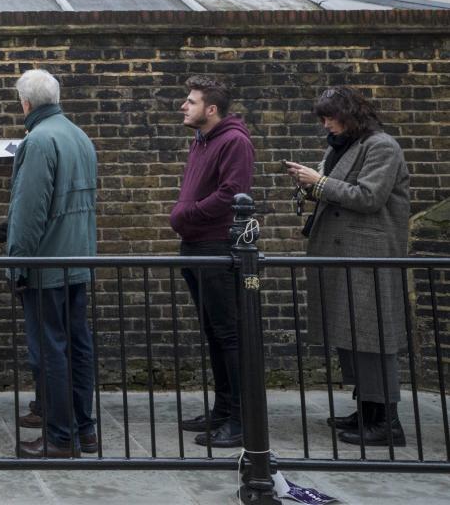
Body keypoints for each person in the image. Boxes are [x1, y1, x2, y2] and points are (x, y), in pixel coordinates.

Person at [284, 86, 410, 447]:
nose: (326, 125)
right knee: (351, 335)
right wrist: (309, 185)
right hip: (344, 254)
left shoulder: (382, 146)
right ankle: (367, 410)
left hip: (369, 255)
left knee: (373, 336)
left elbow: (369, 197)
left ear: (350, 115)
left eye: (330, 117)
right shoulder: (343, 146)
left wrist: (319, 182)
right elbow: (336, 188)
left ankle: (387, 421)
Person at [6, 70, 99, 459]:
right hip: (77, 258)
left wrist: (17, 266)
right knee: (77, 345)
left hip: (47, 263)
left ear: (25, 104)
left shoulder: (38, 141)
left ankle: (60, 438)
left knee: (50, 351)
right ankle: (83, 429)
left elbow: (30, 212)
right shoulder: (79, 136)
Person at [171, 75, 254, 448]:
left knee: (228, 334)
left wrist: (189, 215)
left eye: (191, 101)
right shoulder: (201, 141)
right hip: (195, 246)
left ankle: (240, 420)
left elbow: (232, 194)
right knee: (213, 333)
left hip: (217, 247)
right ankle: (222, 410)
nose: (184, 106)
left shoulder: (234, 141)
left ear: (212, 109)